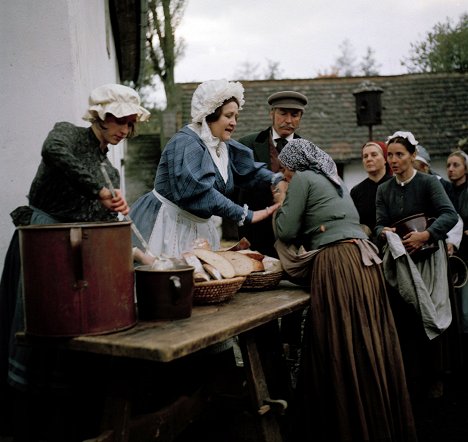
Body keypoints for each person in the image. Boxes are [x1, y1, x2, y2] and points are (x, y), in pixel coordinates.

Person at [0, 83, 150, 440]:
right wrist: (98, 192)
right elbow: (55, 152)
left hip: (75, 255)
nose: (124, 131)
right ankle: (18, 423)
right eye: (118, 122)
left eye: (130, 124)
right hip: (41, 248)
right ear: (100, 115)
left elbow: (104, 224)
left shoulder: (110, 172)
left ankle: (59, 422)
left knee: (67, 332)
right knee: (33, 328)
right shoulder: (65, 135)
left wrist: (134, 245)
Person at [272, 138, 417, 441]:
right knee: (366, 340)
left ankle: (346, 424)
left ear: (294, 164)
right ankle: (377, 418)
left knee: (337, 340)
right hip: (364, 262)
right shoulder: (332, 178)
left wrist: (282, 198)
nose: (285, 173)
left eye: (286, 168)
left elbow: (285, 230)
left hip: (338, 263)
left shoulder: (303, 179)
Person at [129, 79, 283, 258]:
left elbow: (249, 170)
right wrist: (244, 214)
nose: (234, 122)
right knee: (169, 277)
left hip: (199, 226)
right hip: (169, 222)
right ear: (210, 114)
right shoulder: (186, 143)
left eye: (236, 117)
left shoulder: (222, 145)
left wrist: (276, 179)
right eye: (228, 116)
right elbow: (198, 191)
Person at [375, 130, 459, 402]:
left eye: (400, 154)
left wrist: (427, 234)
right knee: (407, 319)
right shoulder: (384, 189)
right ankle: (411, 378)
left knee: (432, 315)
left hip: (430, 259)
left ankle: (436, 376)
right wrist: (383, 231)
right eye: (390, 155)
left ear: (412, 155)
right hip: (403, 264)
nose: (394, 160)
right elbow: (378, 222)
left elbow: (450, 214)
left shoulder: (427, 183)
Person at [236, 90, 308, 258]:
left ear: (300, 117)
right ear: (272, 114)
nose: (288, 120)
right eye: (283, 113)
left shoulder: (308, 150)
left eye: (295, 114)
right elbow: (235, 189)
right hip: (254, 233)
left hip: (293, 235)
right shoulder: (247, 144)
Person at [350, 140, 392, 242]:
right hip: (367, 245)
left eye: (374, 155)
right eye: (365, 156)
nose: (369, 159)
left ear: (385, 159)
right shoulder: (356, 191)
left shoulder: (396, 185)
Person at [447, 150, 468, 334]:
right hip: (452, 253)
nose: (451, 169)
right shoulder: (445, 191)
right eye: (448, 165)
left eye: (456, 165)